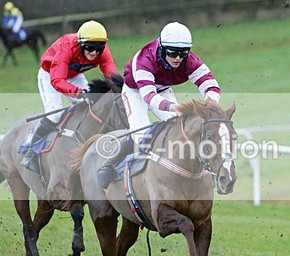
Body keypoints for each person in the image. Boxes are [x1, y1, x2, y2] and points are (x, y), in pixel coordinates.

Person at [96, 21, 221, 188]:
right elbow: (149, 97)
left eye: (183, 53)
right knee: (141, 135)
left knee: (180, 127)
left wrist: (210, 102)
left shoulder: (189, 61)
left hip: (161, 89)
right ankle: (110, 164)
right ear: (162, 49)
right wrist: (172, 107)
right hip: (136, 92)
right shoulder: (145, 59)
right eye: (173, 53)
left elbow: (211, 85)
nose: (178, 58)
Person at [20, 20, 118, 170]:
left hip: (74, 75)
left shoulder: (102, 52)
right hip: (50, 75)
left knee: (91, 105)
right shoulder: (67, 46)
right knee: (55, 114)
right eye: (91, 48)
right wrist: (79, 93)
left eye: (99, 48)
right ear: (81, 44)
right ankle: (31, 149)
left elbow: (112, 77)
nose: (94, 52)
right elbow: (57, 80)